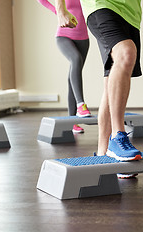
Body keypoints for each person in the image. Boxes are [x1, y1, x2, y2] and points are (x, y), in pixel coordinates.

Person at [54, 0, 143, 164]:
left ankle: (104, 153)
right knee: (126, 53)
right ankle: (118, 136)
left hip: (131, 14)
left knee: (112, 78)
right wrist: (61, 9)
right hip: (101, 6)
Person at [38, 0, 91, 134]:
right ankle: (81, 105)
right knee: (75, 59)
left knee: (72, 77)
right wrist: (58, 12)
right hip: (63, 35)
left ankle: (72, 122)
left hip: (83, 38)